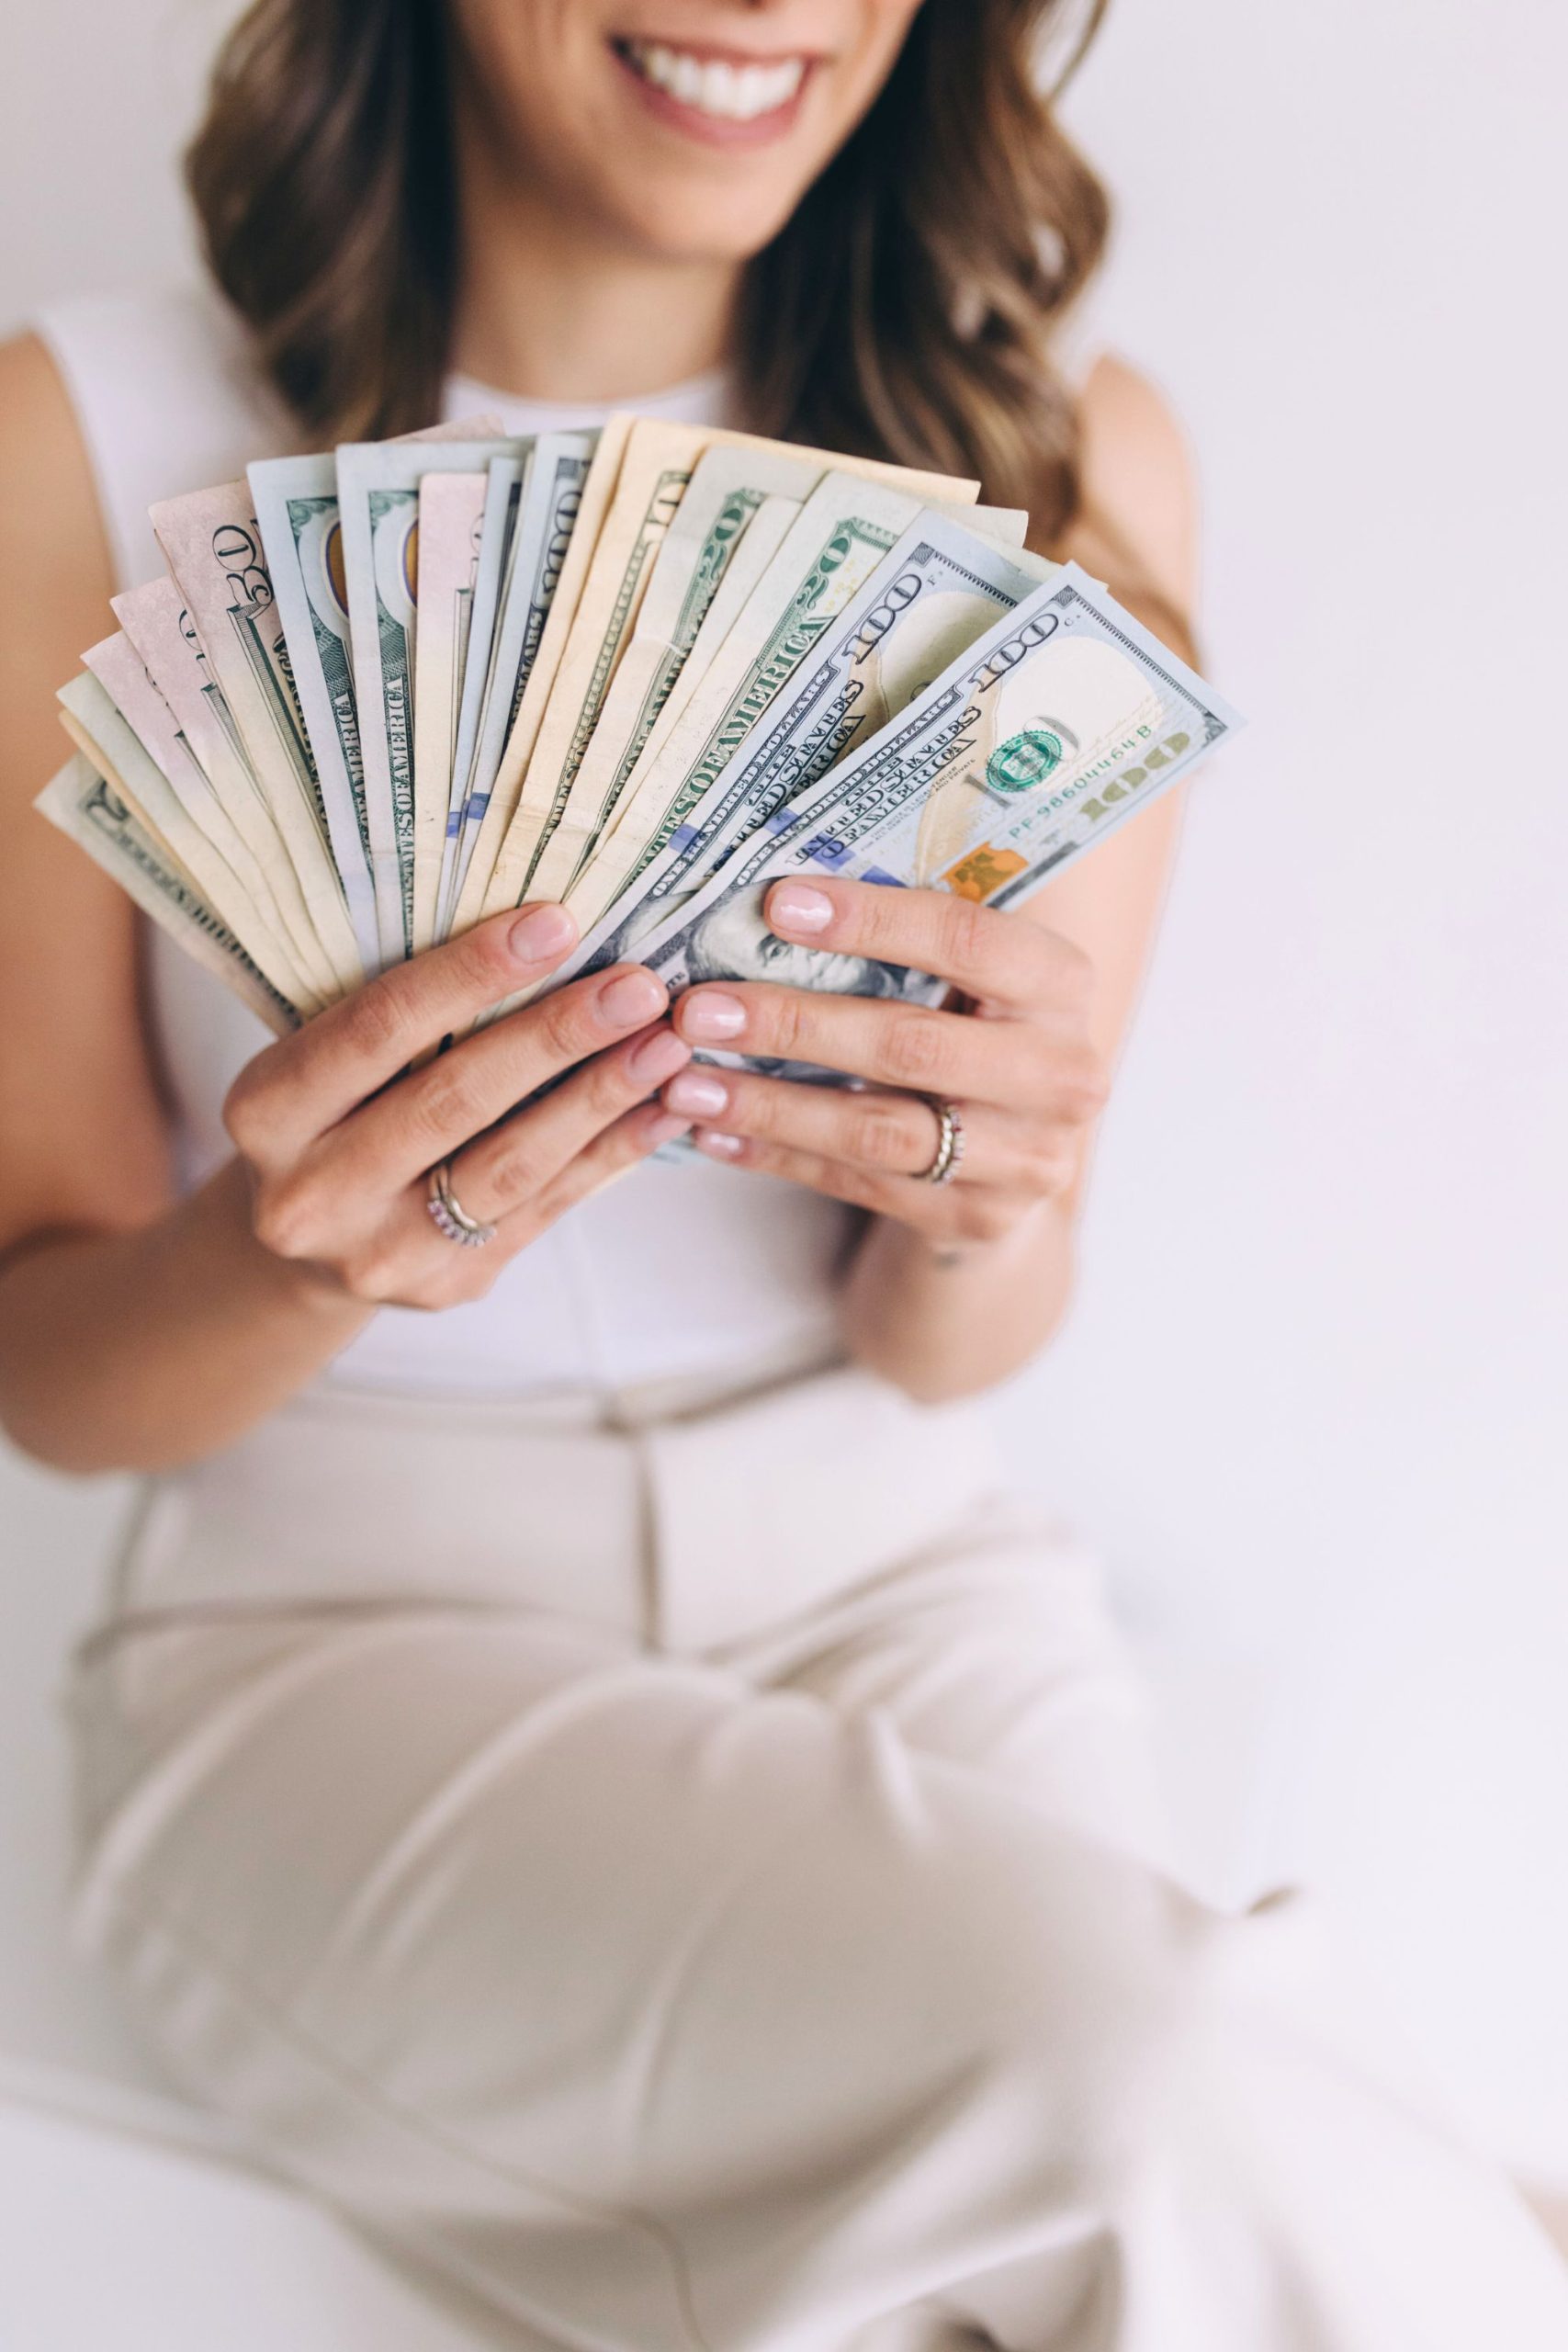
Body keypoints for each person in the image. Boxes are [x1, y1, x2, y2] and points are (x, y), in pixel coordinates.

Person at [1, 5, 1564, 2345]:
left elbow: (946, 1337)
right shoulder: (83, 448)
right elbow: (49, 1359)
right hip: (329, 1639)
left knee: (1172, 2176)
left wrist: (993, 1189)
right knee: (1181, 2088)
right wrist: (288, 1249)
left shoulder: (1050, 461)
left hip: (899, 1571)